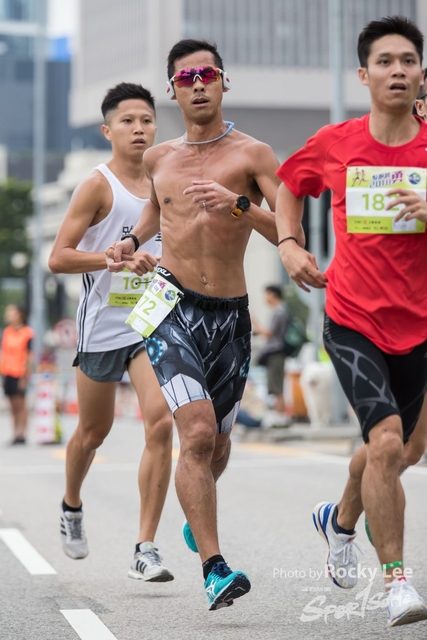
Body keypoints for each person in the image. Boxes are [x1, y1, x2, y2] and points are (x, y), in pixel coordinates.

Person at [106, 39, 293, 610]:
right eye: (186, 78)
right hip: (169, 307)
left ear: (223, 81)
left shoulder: (254, 154)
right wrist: (132, 241)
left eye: (207, 74)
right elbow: (156, 208)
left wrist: (237, 204)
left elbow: (289, 231)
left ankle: (197, 509)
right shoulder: (158, 158)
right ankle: (215, 569)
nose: (198, 84)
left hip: (230, 316)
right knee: (197, 434)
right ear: (173, 90)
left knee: (220, 444)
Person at [276, 15, 427, 628]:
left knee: (406, 451)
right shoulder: (335, 141)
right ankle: (397, 584)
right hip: (353, 317)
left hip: (420, 324)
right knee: (385, 441)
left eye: (408, 61)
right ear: (364, 75)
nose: (398, 71)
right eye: (385, 62)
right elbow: (289, 184)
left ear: (422, 73)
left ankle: (339, 520)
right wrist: (289, 244)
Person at [48, 83, 174, 582]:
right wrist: (111, 258)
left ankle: (145, 547)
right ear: (107, 131)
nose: (139, 128)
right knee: (92, 433)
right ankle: (71, 504)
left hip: (153, 320)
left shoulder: (168, 177)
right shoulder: (97, 185)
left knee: (160, 423)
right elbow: (58, 258)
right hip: (103, 325)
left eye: (146, 119)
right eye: (127, 121)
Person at [252, 285, 289, 421]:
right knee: (275, 386)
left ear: (273, 294)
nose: (265, 298)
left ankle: (279, 417)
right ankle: (279, 416)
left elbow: (268, 333)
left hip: (275, 353)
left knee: (276, 386)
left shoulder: (279, 312)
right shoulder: (281, 311)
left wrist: (254, 321)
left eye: (266, 294)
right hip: (277, 353)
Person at [0, 305, 33, 444]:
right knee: (12, 405)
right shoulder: (7, 332)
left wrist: (25, 376)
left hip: (20, 373)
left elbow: (29, 355)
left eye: (12, 313)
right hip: (7, 372)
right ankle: (15, 433)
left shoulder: (27, 332)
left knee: (21, 405)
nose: (9, 316)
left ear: (20, 315)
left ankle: (22, 434)